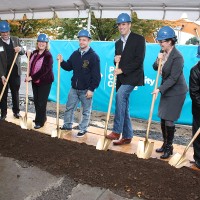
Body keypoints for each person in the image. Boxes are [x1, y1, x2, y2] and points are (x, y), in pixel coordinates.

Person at [105, 13, 146, 145]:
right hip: (122, 78)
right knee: (125, 106)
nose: (121, 27)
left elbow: (139, 60)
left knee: (121, 95)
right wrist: (115, 60)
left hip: (133, 76)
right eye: (119, 25)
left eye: (123, 24)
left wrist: (122, 69)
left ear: (129, 25)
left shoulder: (139, 39)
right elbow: (118, 61)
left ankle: (117, 130)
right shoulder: (117, 43)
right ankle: (127, 136)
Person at [152, 26, 188, 159]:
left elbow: (173, 78)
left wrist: (159, 89)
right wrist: (158, 59)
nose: (160, 43)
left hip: (177, 91)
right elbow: (155, 67)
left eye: (163, 41)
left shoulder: (178, 57)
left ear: (171, 41)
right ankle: (165, 143)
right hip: (167, 89)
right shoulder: (162, 52)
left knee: (169, 119)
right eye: (159, 41)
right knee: (162, 117)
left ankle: (169, 148)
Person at [58, 29, 101, 137]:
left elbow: (96, 76)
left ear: (89, 41)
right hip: (74, 88)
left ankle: (83, 129)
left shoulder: (94, 56)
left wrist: (91, 89)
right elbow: (68, 67)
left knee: (86, 111)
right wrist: (62, 61)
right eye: (80, 40)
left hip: (86, 89)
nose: (82, 42)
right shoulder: (75, 54)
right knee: (69, 108)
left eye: (84, 40)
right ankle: (67, 125)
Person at [25, 33, 54, 129]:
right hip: (35, 82)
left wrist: (31, 77)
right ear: (37, 43)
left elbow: (44, 71)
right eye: (39, 42)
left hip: (45, 82)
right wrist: (27, 53)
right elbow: (31, 62)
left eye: (43, 42)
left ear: (46, 44)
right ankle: (42, 117)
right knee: (37, 101)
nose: (41, 44)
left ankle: (39, 122)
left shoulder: (48, 56)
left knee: (41, 102)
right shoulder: (35, 53)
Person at [0, 21, 25, 120]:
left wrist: (20, 49)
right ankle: (3, 113)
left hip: (15, 71)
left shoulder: (16, 39)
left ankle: (16, 112)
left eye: (6, 31)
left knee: (15, 92)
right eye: (3, 32)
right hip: (3, 73)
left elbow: (23, 51)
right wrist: (2, 75)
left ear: (9, 31)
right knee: (3, 92)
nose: (5, 34)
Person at [189, 45, 200, 169]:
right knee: (198, 135)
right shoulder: (195, 70)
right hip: (198, 109)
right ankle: (198, 158)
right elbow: (194, 93)